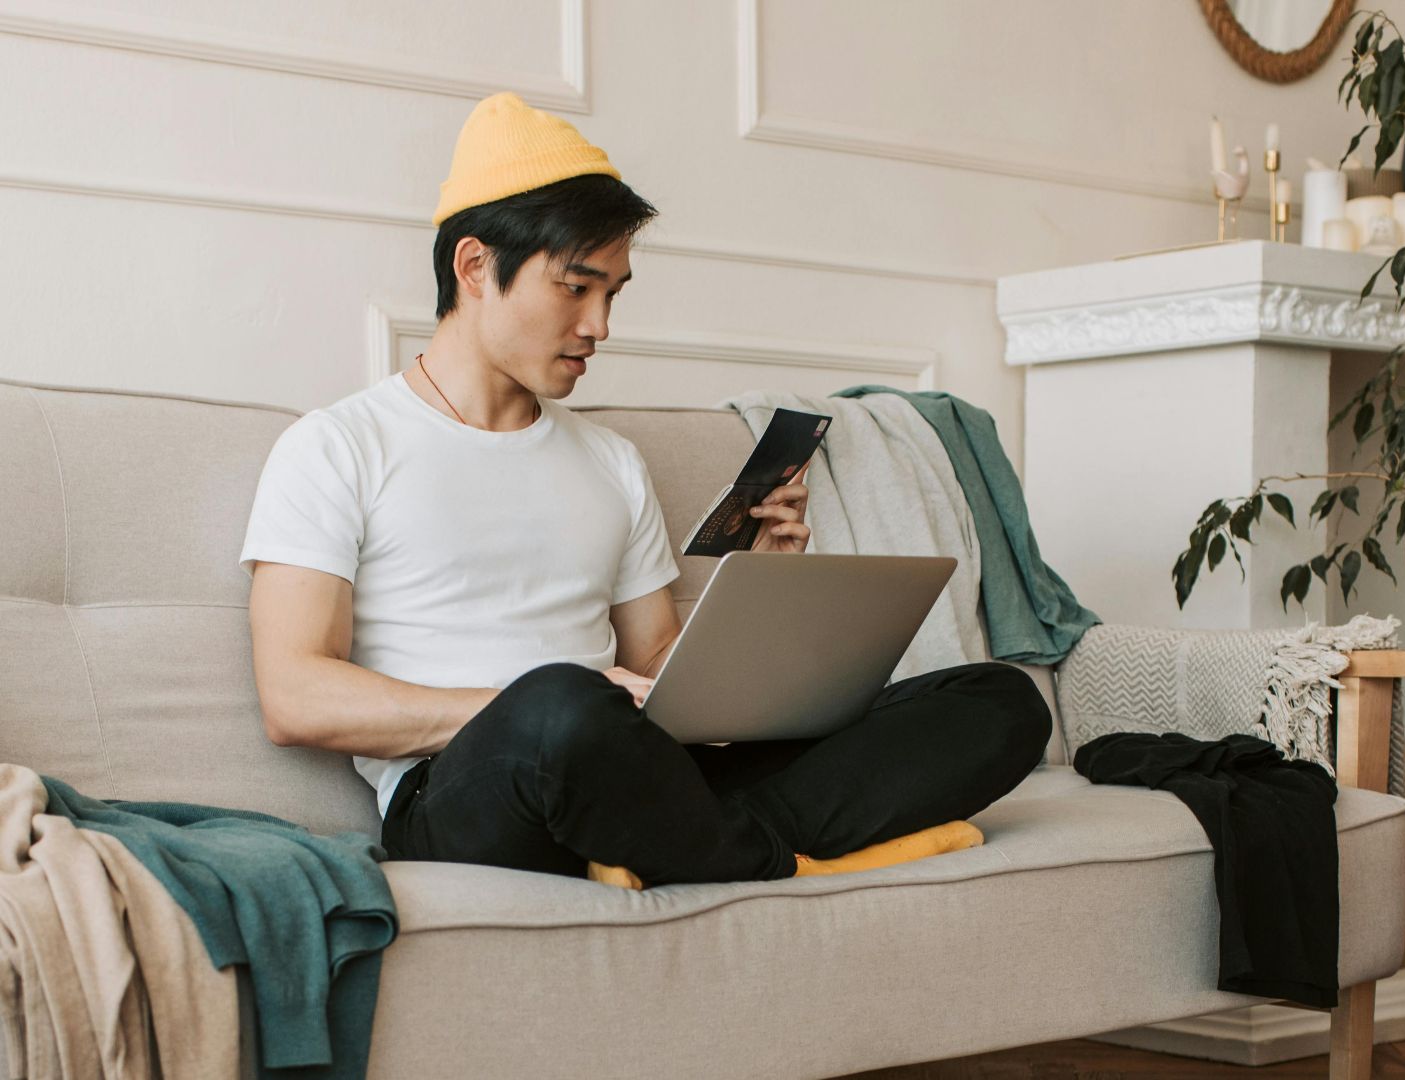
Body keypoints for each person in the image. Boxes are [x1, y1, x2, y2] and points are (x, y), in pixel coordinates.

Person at [237, 91, 1051, 890]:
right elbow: (296, 697)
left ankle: (687, 846)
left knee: (996, 701)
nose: (600, 325)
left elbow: (658, 662)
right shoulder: (337, 446)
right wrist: (545, 703)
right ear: (476, 267)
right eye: (576, 287)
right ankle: (768, 856)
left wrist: (763, 585)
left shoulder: (611, 461)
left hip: (641, 769)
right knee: (560, 704)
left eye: (613, 294)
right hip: (471, 788)